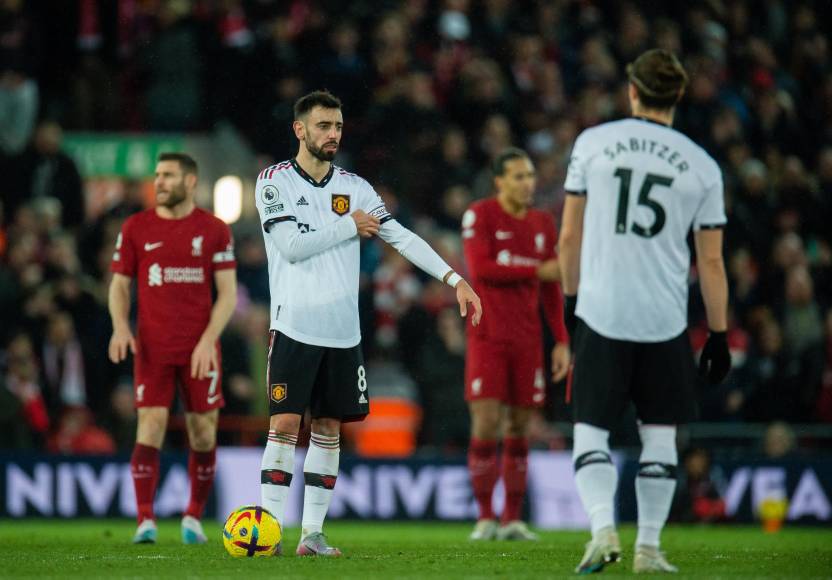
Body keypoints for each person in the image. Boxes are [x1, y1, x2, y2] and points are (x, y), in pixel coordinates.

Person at [255, 90, 481, 557]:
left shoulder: (356, 187)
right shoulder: (273, 182)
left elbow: (399, 235)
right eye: (323, 126)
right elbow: (292, 248)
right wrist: (347, 226)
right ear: (300, 129)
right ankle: (270, 530)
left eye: (337, 126)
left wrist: (454, 277)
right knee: (283, 424)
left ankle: (312, 535)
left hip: (343, 332)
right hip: (294, 326)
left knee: (330, 429)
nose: (333, 134)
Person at [558, 49, 731, 574]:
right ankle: (649, 548)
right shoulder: (702, 166)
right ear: (677, 95)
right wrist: (719, 335)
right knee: (659, 436)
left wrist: (570, 302)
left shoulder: (594, 143)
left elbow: (569, 236)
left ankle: (602, 529)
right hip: (664, 320)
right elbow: (712, 261)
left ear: (632, 91)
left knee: (591, 430)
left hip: (603, 310)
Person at [108, 153, 237, 545]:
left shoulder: (214, 229)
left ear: (191, 181)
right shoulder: (136, 227)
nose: (159, 182)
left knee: (202, 432)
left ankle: (193, 518)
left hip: (200, 348)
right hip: (153, 347)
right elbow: (119, 284)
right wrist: (118, 326)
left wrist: (207, 340)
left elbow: (228, 294)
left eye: (168, 176)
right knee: (150, 426)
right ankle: (145, 520)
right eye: (157, 176)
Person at [461, 147, 570, 541]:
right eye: (519, 176)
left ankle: (511, 519)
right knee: (487, 423)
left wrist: (560, 340)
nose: (528, 183)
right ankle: (485, 516)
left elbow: (552, 288)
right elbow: (482, 269)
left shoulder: (543, 223)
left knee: (521, 427)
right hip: (488, 337)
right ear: (499, 181)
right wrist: (536, 268)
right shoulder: (481, 213)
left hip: (528, 339)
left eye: (530, 176)